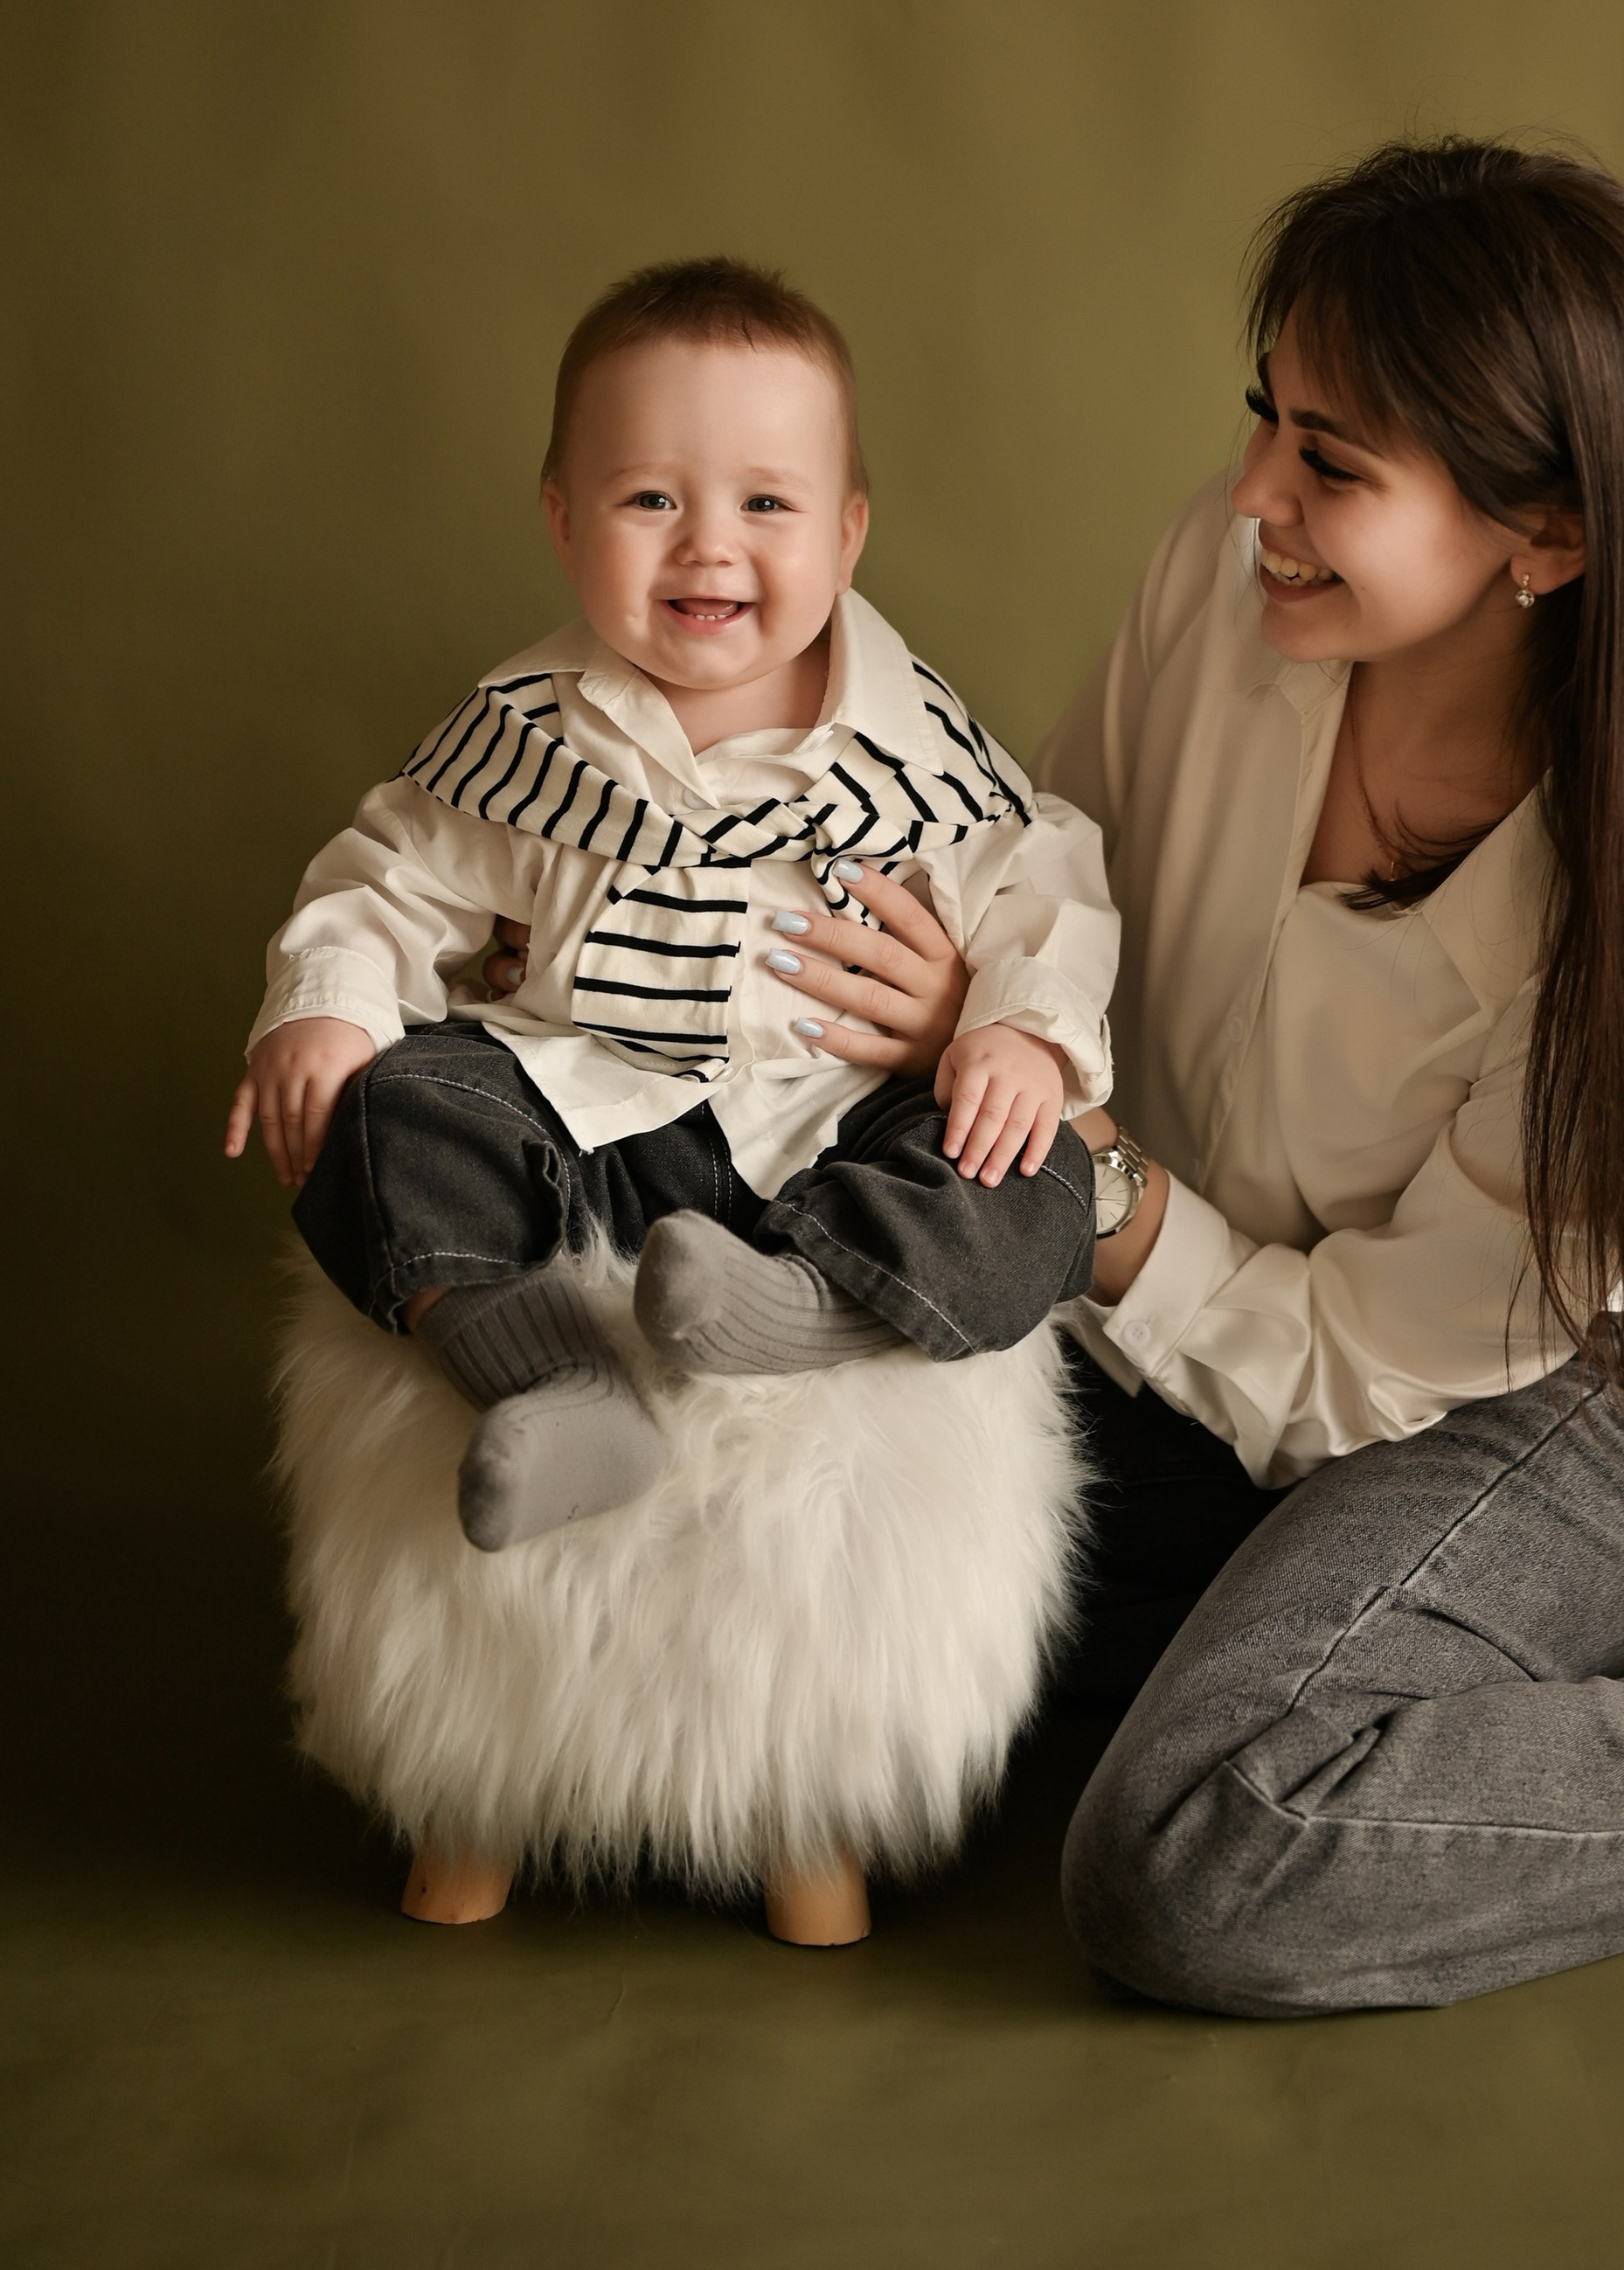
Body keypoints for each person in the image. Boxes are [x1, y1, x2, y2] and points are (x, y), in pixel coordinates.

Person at [648, 136, 1624, 2018]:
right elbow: (1039, 878)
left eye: (1330, 462)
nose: (1251, 494)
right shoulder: (1216, 586)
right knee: (784, 1641)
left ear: (1542, 536)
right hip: (1161, 1329)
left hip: (1517, 1407)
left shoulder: (1614, 914)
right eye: (1263, 419)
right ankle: (1478, 1688)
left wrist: (1095, 1186)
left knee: (1196, 1857)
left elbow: (1355, 1374)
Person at [227, 256, 1120, 1556]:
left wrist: (1019, 1030)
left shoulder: (911, 739)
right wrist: (331, 1005)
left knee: (1036, 1174)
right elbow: (394, 871)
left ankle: (804, 1307)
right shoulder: (525, 731)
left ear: (848, 532)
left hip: (834, 1126)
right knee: (390, 1118)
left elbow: (1043, 878)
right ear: (563, 519)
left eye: (767, 501)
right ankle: (556, 1380)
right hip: (586, 1120)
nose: (710, 543)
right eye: (650, 497)